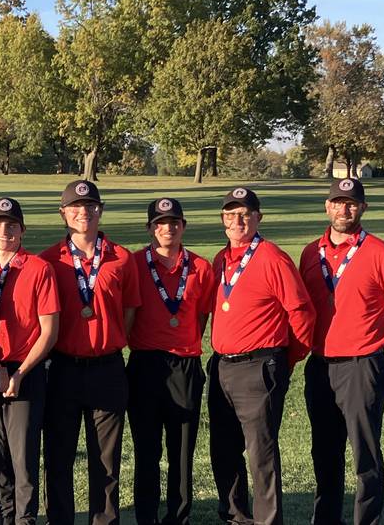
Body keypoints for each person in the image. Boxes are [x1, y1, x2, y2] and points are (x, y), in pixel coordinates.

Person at [298, 178, 384, 525]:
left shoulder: (381, 253)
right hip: (320, 365)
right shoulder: (311, 253)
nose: (343, 209)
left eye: (351, 203)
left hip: (361, 366)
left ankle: (366, 520)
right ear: (327, 206)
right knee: (324, 451)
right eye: (337, 202)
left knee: (364, 453)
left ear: (363, 208)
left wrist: (379, 338)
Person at [208, 186, 315, 525]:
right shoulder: (221, 259)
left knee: (261, 453)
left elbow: (302, 313)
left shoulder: (272, 257)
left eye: (244, 214)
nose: (237, 220)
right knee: (224, 450)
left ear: (258, 218)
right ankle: (236, 517)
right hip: (222, 366)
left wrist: (285, 360)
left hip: (259, 366)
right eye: (230, 214)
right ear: (223, 220)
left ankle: (268, 520)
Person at [39, 179, 140, 525]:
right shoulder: (49, 260)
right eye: (75, 207)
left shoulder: (122, 258)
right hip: (62, 369)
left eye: (90, 206)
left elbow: (129, 312)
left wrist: (107, 339)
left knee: (106, 461)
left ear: (100, 210)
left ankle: (105, 521)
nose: (83, 212)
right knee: (58, 456)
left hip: (107, 369)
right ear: (63, 213)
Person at [126, 197, 217, 525]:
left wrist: (183, 343)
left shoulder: (201, 267)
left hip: (184, 366)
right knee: (146, 450)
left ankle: (179, 517)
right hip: (144, 365)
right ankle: (146, 518)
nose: (168, 228)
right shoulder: (134, 264)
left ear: (183, 226)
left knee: (181, 451)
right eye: (160, 223)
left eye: (174, 222)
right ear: (150, 228)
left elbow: (203, 315)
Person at [0, 197, 60, 525]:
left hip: (25, 372)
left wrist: (21, 374)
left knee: (23, 459)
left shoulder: (39, 269)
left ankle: (25, 520)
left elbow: (49, 332)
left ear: (22, 230)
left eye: (11, 225)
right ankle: (4, 517)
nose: (4, 231)